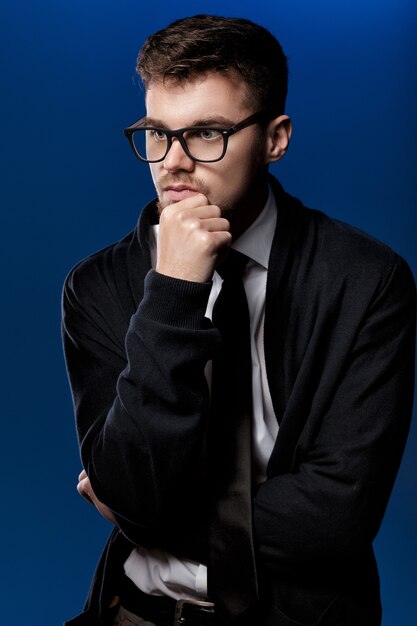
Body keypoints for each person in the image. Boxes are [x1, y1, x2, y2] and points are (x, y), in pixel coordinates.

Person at [62, 14, 416, 626]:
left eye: (205, 133)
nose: (172, 163)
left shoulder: (367, 278)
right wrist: (173, 290)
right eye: (155, 133)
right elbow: (131, 489)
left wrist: (151, 517)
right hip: (138, 614)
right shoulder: (96, 285)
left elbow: (336, 519)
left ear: (275, 139)